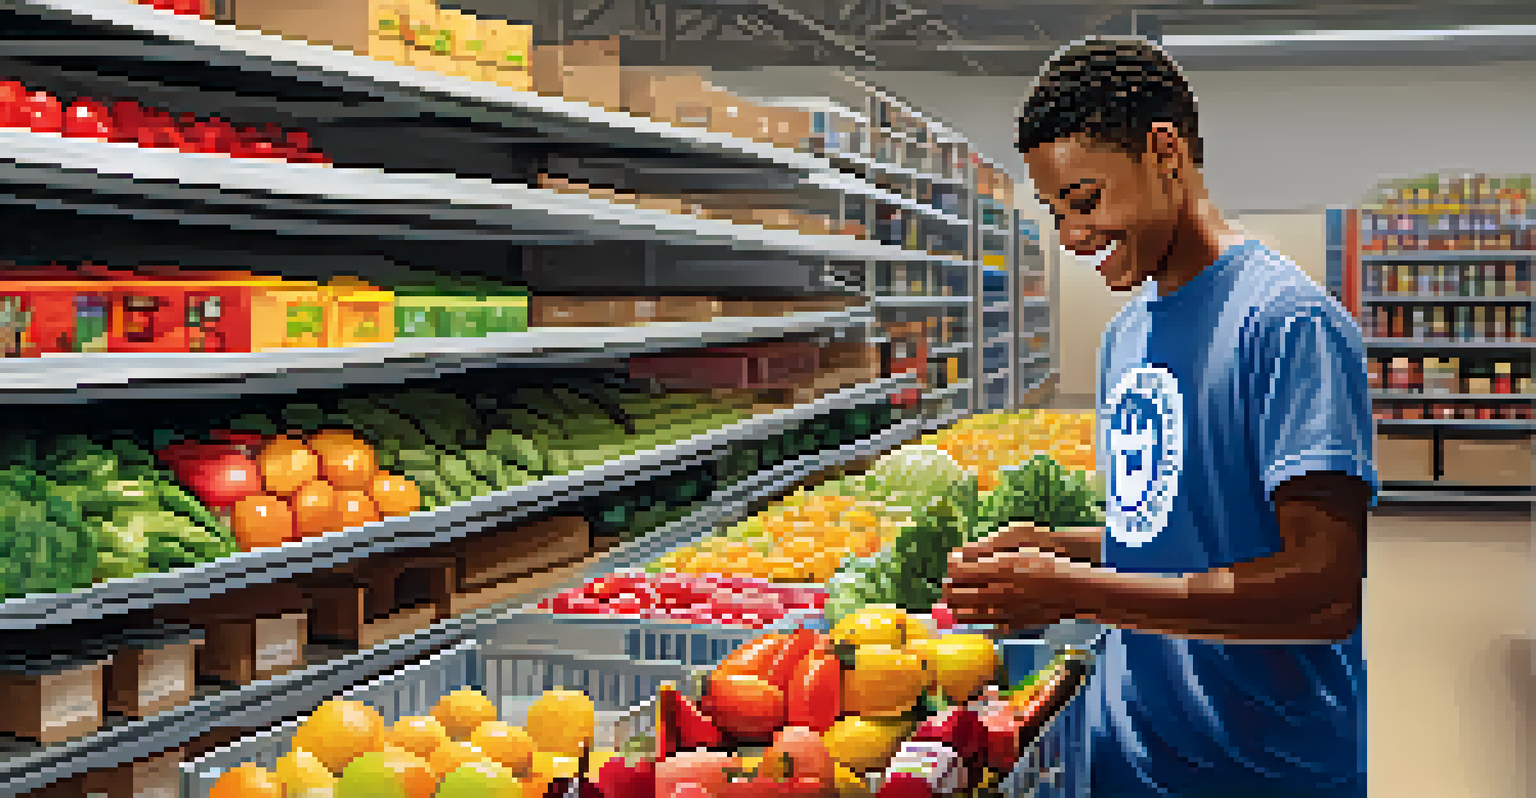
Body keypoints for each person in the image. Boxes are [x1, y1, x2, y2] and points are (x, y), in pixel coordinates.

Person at [942, 37, 1374, 798]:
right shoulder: (1125, 337)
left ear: (1165, 153)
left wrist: (1074, 589)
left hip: (1265, 770)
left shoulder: (1288, 323)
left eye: (1085, 201)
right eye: (1056, 212)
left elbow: (1324, 591)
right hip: (1128, 754)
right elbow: (1180, 533)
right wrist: (1062, 550)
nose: (1072, 237)